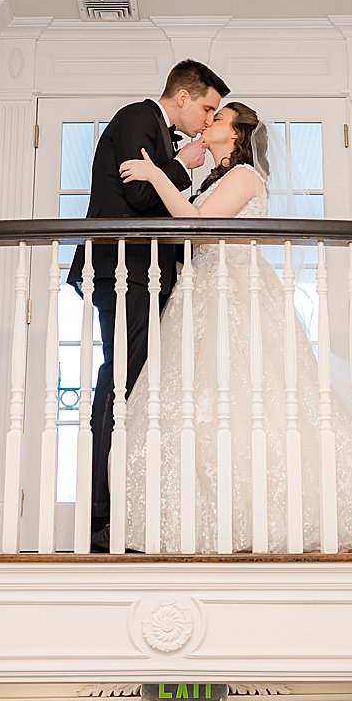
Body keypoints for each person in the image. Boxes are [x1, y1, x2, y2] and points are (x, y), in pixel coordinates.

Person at [117, 102, 352, 554]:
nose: (208, 122)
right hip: (205, 289)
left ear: (239, 135)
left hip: (235, 288)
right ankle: (212, 519)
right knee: (202, 404)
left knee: (250, 400)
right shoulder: (216, 179)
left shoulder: (245, 175)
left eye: (220, 119)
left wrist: (156, 176)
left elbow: (198, 224)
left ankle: (263, 519)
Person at [66, 59, 229, 553]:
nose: (207, 119)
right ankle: (99, 515)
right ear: (182, 97)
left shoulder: (167, 138)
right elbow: (138, 193)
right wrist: (182, 167)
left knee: (135, 387)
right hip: (123, 272)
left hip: (147, 277)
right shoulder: (136, 117)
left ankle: (123, 508)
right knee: (121, 384)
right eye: (206, 108)